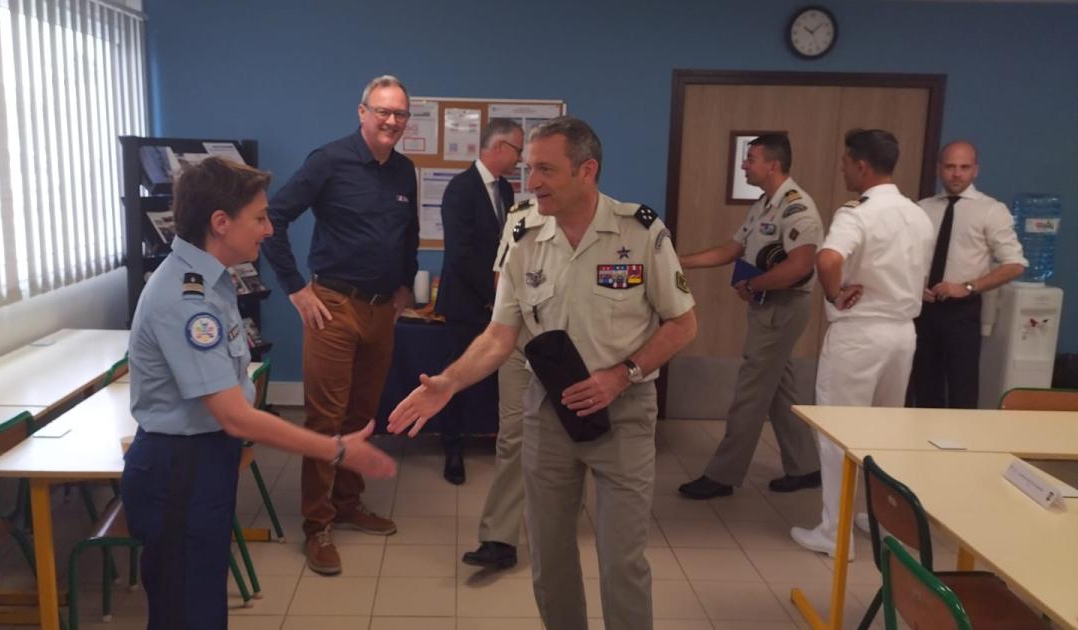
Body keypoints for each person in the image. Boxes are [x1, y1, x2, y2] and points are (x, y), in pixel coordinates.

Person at [389, 116, 698, 630]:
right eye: (530, 168)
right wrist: (448, 381)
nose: (531, 182)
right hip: (548, 413)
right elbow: (499, 335)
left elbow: (684, 324)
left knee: (621, 560)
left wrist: (622, 375)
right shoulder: (522, 228)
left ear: (587, 171)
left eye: (546, 170)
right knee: (551, 561)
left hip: (622, 413)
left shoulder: (640, 231)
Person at [121, 156, 396, 628]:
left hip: (204, 458)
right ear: (221, 223)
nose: (269, 229)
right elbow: (235, 416)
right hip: (180, 466)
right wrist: (334, 449)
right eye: (260, 217)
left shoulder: (213, 281)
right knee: (185, 611)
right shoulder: (187, 299)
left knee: (202, 601)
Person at [260, 75, 418, 574]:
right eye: (382, 111)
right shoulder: (328, 160)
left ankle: (348, 504)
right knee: (326, 419)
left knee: (363, 415)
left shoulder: (404, 170)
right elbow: (273, 220)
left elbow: (409, 231)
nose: (391, 121)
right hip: (332, 304)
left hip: (380, 309)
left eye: (400, 114)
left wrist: (403, 287)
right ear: (362, 112)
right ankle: (317, 524)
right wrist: (295, 287)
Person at [789, 129, 934, 558]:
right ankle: (880, 520)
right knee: (885, 432)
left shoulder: (857, 213)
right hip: (903, 334)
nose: (842, 168)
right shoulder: (918, 214)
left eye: (846, 161)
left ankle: (835, 534)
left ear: (862, 165)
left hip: (860, 335)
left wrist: (834, 293)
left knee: (838, 433)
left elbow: (828, 258)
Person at [676, 134, 822, 500]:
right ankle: (806, 468)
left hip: (782, 308)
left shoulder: (796, 207)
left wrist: (755, 285)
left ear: (772, 165)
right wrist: (679, 260)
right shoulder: (764, 205)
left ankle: (722, 475)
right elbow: (731, 249)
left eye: (750, 159)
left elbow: (801, 266)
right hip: (767, 306)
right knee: (781, 387)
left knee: (750, 393)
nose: (744, 165)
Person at [435, 117, 523, 485]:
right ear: (499, 147)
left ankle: (495, 439)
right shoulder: (460, 189)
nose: (520, 159)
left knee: (496, 375)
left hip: (495, 303)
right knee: (456, 376)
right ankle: (452, 448)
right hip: (465, 303)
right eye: (518, 150)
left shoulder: (506, 191)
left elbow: (508, 249)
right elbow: (461, 253)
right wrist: (494, 296)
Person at [911, 140, 1025, 409]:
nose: (957, 174)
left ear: (976, 170)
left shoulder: (991, 210)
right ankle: (922, 447)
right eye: (950, 167)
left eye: (964, 167)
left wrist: (969, 287)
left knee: (962, 390)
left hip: (962, 311)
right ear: (939, 169)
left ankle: (962, 448)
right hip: (922, 308)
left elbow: (1015, 264)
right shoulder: (921, 208)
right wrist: (915, 285)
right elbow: (905, 257)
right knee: (924, 388)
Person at [461, 196, 541, 571]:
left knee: (573, 435)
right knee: (512, 434)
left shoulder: (608, 225)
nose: (535, 181)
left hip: (571, 343)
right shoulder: (520, 215)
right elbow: (501, 276)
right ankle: (500, 538)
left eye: (546, 169)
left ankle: (562, 517)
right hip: (518, 338)